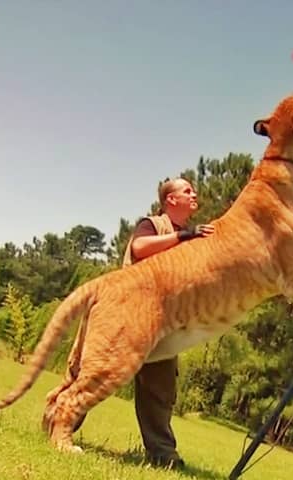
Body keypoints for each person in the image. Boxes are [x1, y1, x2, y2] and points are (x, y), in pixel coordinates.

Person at [122, 177, 214, 469]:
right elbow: (139, 247)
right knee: (95, 371)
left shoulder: (194, 237)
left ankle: (163, 455)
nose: (194, 193)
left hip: (164, 323)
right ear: (170, 200)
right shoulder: (154, 224)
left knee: (161, 390)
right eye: (187, 190)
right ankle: (62, 423)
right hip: (131, 314)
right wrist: (184, 236)